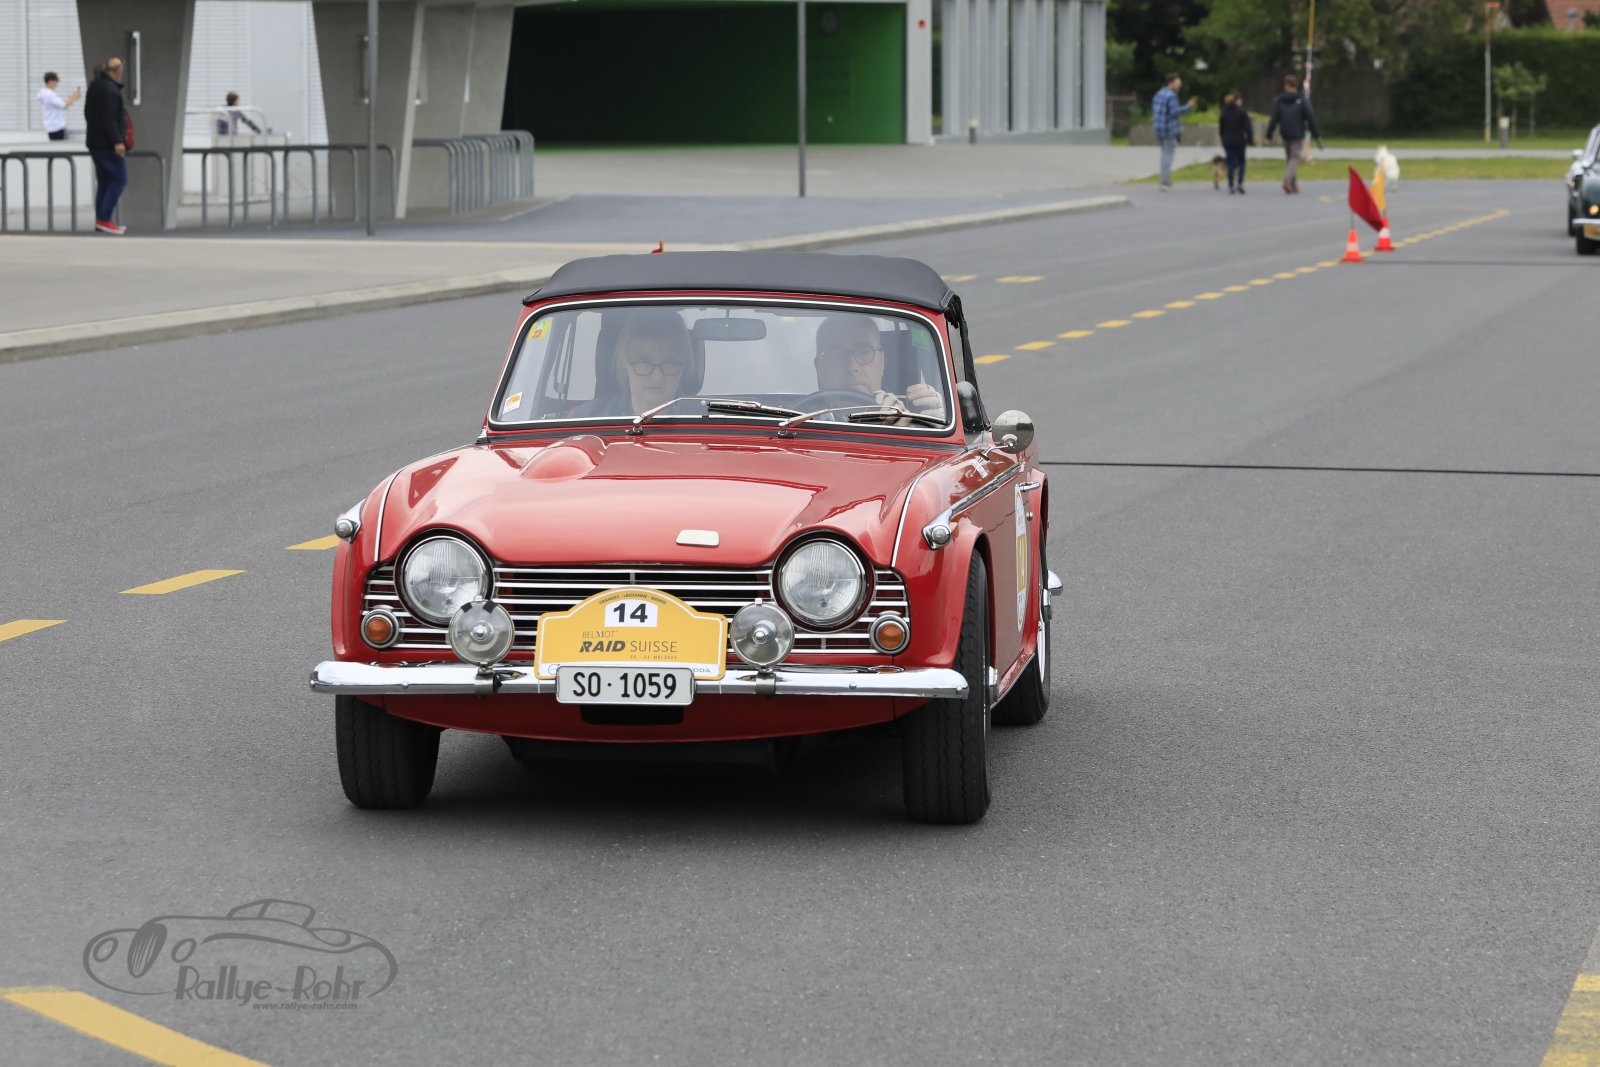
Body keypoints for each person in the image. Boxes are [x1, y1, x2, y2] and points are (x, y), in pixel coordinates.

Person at [813, 315, 943, 420]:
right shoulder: (802, 419)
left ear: (882, 361)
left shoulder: (906, 413)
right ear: (819, 368)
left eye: (865, 351)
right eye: (837, 355)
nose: (852, 366)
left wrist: (921, 423)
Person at [574, 309, 696, 417]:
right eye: (644, 363)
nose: (657, 377)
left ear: (684, 364)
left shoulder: (704, 419)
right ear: (624, 361)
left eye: (670, 363)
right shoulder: (586, 418)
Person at [84, 57, 129, 234]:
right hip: (108, 144)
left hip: (95, 142)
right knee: (119, 179)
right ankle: (104, 219)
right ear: (117, 71)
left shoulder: (94, 86)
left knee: (104, 182)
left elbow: (88, 113)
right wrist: (118, 141)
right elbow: (110, 118)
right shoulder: (110, 90)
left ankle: (101, 221)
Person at [1264, 75, 1323, 195]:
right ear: (1296, 86)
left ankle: (1293, 185)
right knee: (1295, 158)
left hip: (1285, 132)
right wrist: (1317, 135)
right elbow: (1310, 118)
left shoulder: (1280, 100)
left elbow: (1274, 118)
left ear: (1287, 86)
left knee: (1290, 158)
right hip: (1297, 133)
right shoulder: (1302, 100)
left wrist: (1269, 134)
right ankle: (1287, 180)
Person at [1151, 72, 1197, 191]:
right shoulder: (1172, 96)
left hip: (1159, 129)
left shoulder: (1159, 93)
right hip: (1169, 130)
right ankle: (1165, 182)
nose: (1180, 85)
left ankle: (1165, 180)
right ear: (1171, 83)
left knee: (1164, 155)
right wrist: (1188, 106)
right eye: (1178, 83)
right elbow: (1174, 112)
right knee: (1168, 156)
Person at [1218, 92, 1254, 194]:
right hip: (1240, 139)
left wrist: (1223, 138)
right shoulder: (1242, 112)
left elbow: (1221, 129)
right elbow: (1248, 127)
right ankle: (1240, 183)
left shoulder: (1224, 112)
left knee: (1230, 163)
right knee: (1241, 162)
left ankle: (1231, 185)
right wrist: (1250, 139)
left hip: (1228, 140)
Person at [37, 73, 82, 141]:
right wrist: (75, 97)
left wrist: (73, 97)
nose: (57, 84)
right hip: (56, 127)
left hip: (52, 126)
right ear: (51, 81)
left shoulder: (46, 93)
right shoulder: (48, 94)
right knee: (58, 146)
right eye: (56, 82)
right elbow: (63, 105)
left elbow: (61, 104)